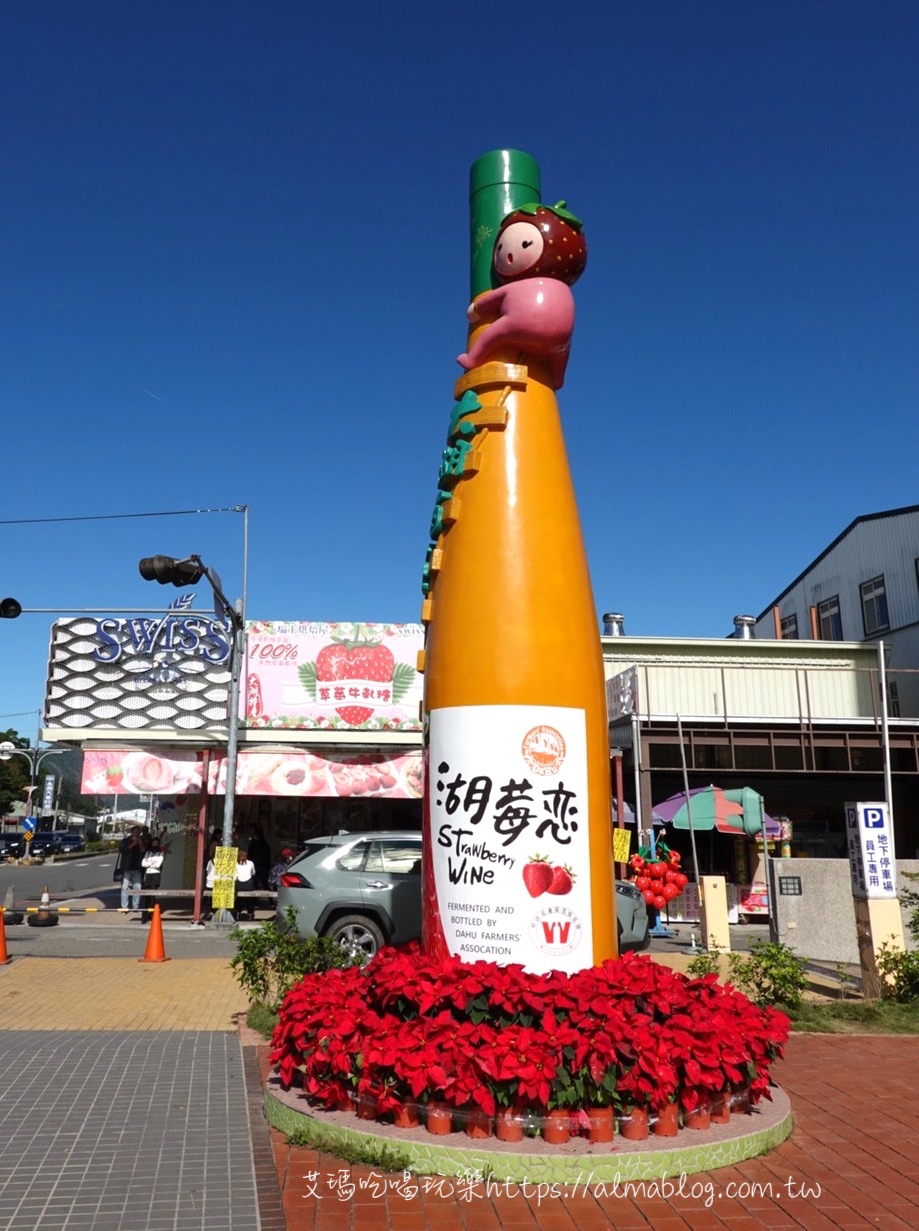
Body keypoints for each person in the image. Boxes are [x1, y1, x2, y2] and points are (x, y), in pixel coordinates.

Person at [118, 826, 148, 915]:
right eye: (135, 832)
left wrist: (140, 843)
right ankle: (124, 907)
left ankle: (136, 907)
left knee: (137, 887)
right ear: (132, 832)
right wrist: (132, 844)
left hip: (138, 868)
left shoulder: (142, 840)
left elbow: (144, 851)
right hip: (127, 868)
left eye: (139, 832)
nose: (137, 834)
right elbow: (122, 851)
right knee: (124, 887)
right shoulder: (126, 840)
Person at [140, 838, 165, 924]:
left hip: (156, 874)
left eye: (156, 843)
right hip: (148, 874)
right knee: (146, 893)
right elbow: (143, 863)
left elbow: (158, 864)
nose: (155, 845)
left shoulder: (161, 853)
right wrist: (151, 864)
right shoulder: (148, 853)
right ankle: (145, 913)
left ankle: (150, 911)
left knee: (152, 894)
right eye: (153, 843)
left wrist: (149, 863)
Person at [234, 846, 257, 921]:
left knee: (239, 899)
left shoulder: (236, 864)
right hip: (248, 885)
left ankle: (237, 911)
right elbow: (253, 873)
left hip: (239, 885)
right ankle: (251, 912)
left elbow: (235, 876)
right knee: (249, 899)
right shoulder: (250, 863)